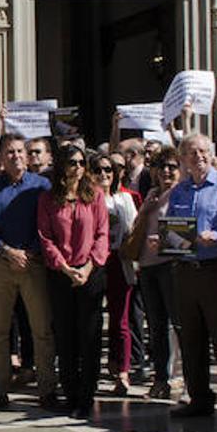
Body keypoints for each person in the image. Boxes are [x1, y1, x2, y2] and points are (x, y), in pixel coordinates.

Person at [158, 133, 217, 428]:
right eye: (191, 152)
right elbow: (172, 228)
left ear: (211, 154)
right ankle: (199, 398)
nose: (197, 156)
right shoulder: (180, 191)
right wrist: (159, 240)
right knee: (191, 339)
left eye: (202, 150)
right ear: (183, 159)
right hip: (185, 272)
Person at [0, 132, 56, 411]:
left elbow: (48, 224)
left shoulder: (42, 186)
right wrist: (8, 251)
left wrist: (30, 252)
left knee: (41, 330)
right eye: (10, 152)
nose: (17, 156)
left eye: (21, 151)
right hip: (1, 263)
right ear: (0, 158)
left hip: (33, 263)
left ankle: (47, 388)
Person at [37, 144, 110, 419]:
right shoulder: (48, 198)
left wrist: (89, 267)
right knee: (65, 337)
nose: (77, 168)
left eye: (81, 163)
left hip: (90, 273)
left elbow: (102, 234)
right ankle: (71, 393)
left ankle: (87, 396)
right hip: (61, 274)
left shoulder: (95, 196)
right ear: (61, 166)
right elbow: (45, 237)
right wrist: (66, 268)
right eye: (72, 163)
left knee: (89, 337)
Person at [122, 150, 182, 401]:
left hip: (170, 265)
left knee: (175, 325)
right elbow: (138, 228)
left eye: (171, 166)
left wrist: (165, 239)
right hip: (148, 266)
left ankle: (177, 377)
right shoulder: (151, 193)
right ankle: (160, 378)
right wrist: (145, 211)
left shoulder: (182, 193)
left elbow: (186, 228)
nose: (166, 172)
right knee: (156, 326)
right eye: (160, 167)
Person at [93, 152, 139, 396]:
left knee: (120, 319)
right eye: (99, 170)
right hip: (94, 264)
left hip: (119, 262)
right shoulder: (86, 200)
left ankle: (122, 370)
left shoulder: (124, 200)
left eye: (108, 170)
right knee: (93, 320)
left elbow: (133, 231)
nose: (104, 175)